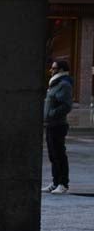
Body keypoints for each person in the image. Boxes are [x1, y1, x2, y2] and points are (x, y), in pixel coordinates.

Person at [44, 59, 74, 194]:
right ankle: (55, 182)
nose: (51, 70)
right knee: (52, 154)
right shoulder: (55, 83)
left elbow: (66, 105)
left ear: (61, 70)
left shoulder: (64, 84)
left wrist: (51, 113)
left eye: (54, 68)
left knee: (59, 154)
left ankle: (63, 183)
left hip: (58, 124)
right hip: (50, 124)